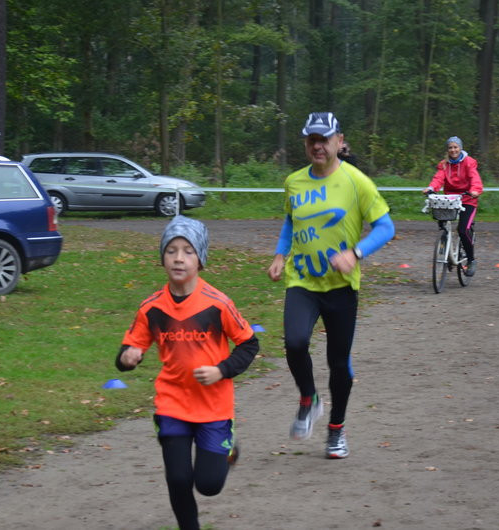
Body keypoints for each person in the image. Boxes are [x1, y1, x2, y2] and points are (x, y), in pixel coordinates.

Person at [116, 215, 259, 530]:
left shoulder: (218, 304)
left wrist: (222, 370)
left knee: (208, 485)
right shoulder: (151, 307)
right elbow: (129, 349)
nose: (178, 258)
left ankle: (227, 453)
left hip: (213, 407)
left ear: (201, 259)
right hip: (172, 403)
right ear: (162, 257)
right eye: (171, 250)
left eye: (188, 251)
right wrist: (129, 357)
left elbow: (249, 345)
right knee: (178, 478)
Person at [267, 112, 395, 459]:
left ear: (339, 141)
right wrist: (281, 254)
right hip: (303, 280)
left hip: (340, 287)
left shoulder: (357, 182)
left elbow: (386, 227)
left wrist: (356, 253)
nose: (318, 145)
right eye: (312, 139)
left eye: (324, 139)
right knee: (294, 343)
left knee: (338, 363)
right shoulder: (294, 182)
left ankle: (336, 430)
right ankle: (309, 399)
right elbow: (290, 222)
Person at [422, 136, 483, 276]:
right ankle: (447, 254)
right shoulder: (444, 164)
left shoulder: (469, 163)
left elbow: (475, 178)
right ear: (447, 150)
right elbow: (438, 178)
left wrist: (475, 190)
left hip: (468, 198)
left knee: (462, 230)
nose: (453, 150)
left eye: (455, 147)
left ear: (460, 148)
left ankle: (471, 259)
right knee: (443, 226)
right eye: (450, 147)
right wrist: (431, 188)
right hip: (449, 199)